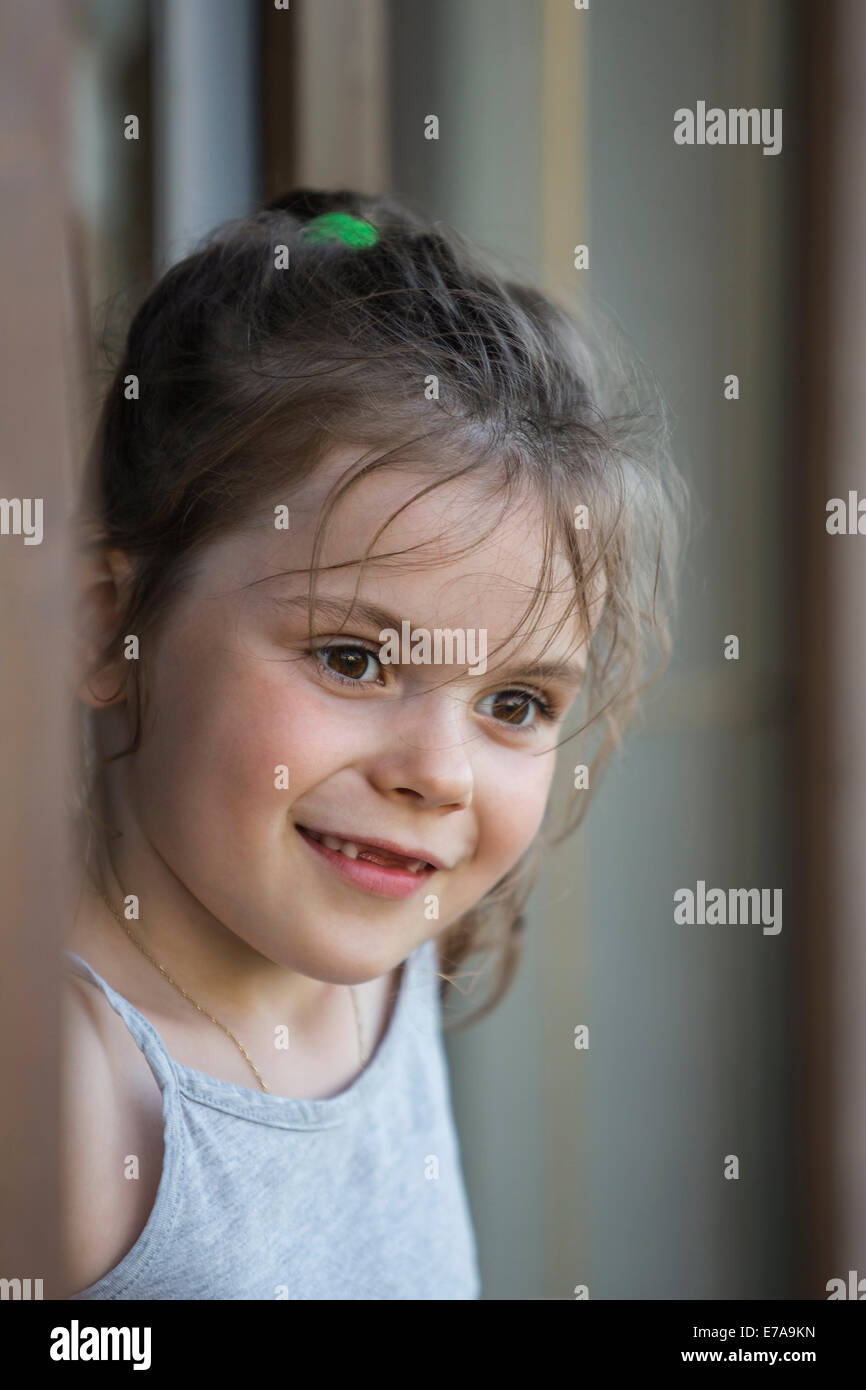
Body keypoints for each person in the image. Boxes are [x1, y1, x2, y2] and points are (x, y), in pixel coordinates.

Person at [61, 188, 685, 1299]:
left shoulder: (378, 941)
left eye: (515, 703)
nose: (438, 775)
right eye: (352, 661)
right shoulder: (68, 1098)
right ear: (110, 621)